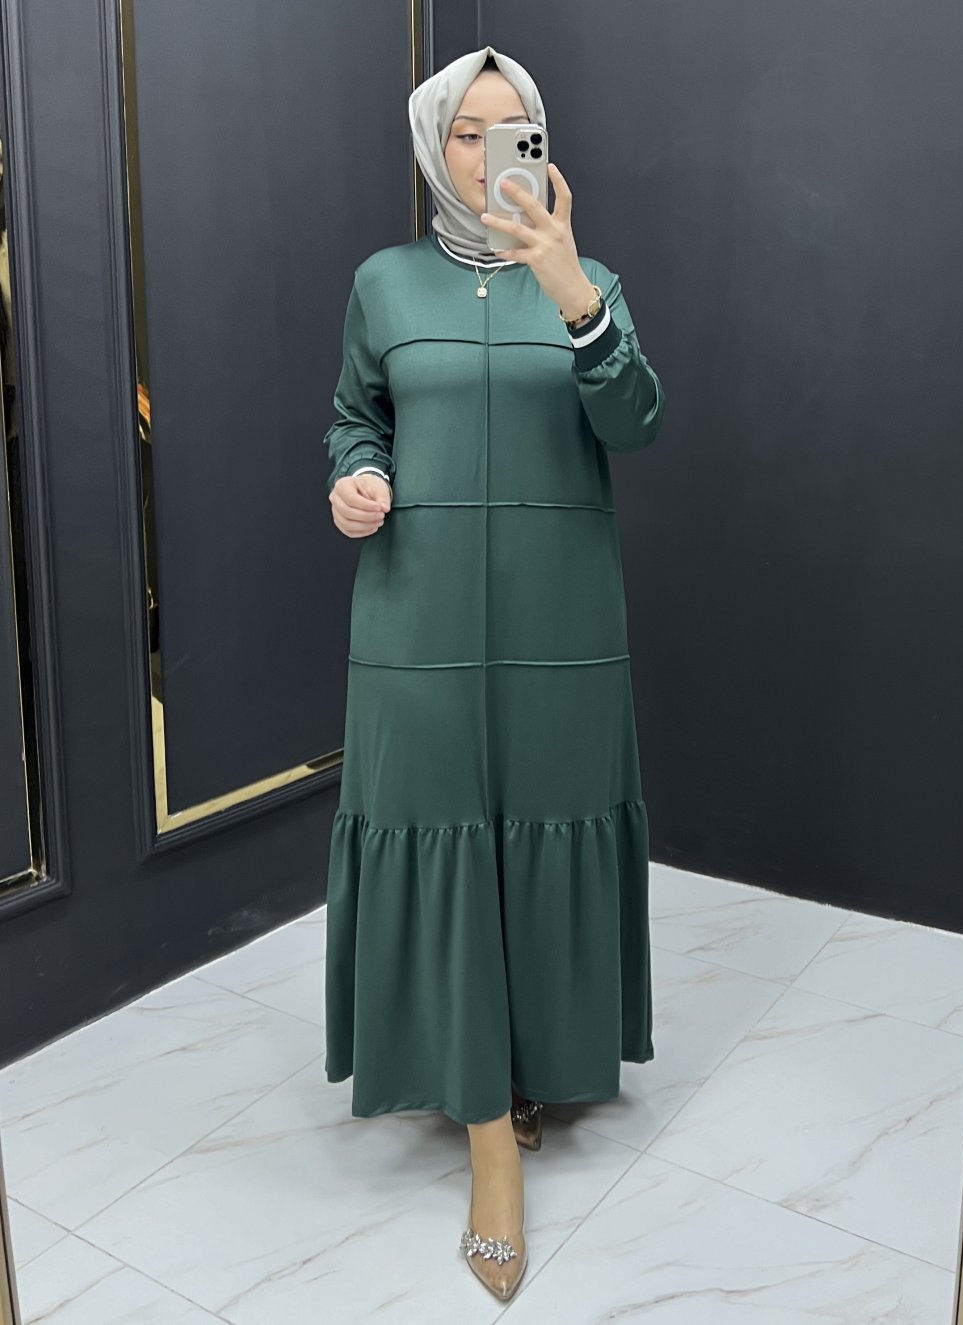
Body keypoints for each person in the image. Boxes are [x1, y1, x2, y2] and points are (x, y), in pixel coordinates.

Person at [322, 44, 665, 1301]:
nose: (485, 154)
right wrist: (355, 478)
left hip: (559, 618)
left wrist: (572, 292)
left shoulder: (591, 278)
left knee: (544, 821)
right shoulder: (383, 282)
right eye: (464, 133)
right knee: (438, 827)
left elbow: (636, 420)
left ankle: (530, 1062)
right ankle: (485, 1137)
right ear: (431, 147)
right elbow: (354, 416)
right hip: (413, 617)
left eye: (511, 129)